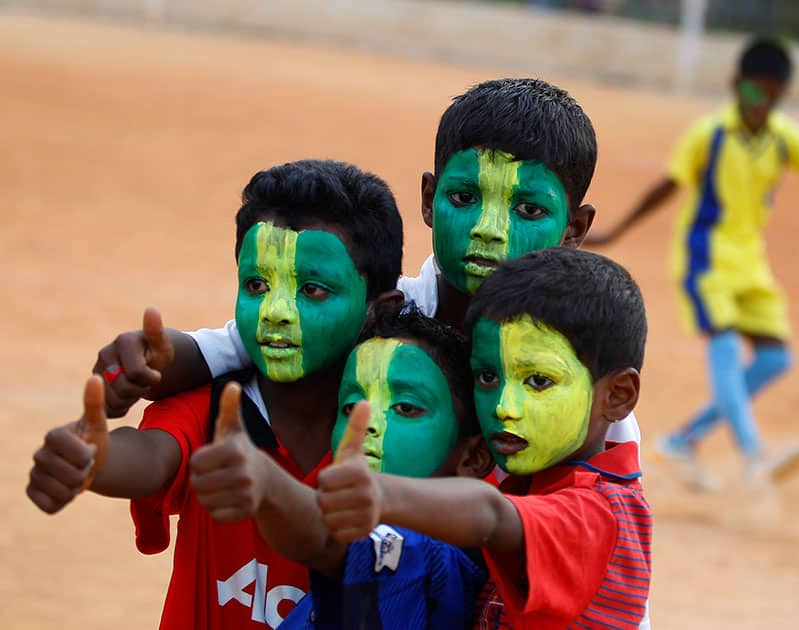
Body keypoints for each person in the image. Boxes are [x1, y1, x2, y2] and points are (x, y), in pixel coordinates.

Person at [90, 77, 642, 450]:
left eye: (527, 208)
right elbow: (231, 346)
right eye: (463, 198)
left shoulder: (588, 388)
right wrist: (148, 360)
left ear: (575, 230)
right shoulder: (380, 313)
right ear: (428, 199)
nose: (487, 229)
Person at [25, 159, 404, 629]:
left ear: (379, 311)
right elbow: (149, 456)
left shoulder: (402, 434)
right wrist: (91, 458)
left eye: (312, 289)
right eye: (257, 285)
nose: (276, 312)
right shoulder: (214, 410)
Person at [588, 36, 799, 490]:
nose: (762, 104)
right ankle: (755, 454)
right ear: (736, 86)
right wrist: (616, 232)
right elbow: (666, 187)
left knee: (775, 358)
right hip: (705, 260)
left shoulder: (784, 138)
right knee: (727, 350)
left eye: (773, 97)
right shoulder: (709, 135)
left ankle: (683, 440)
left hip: (750, 263)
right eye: (755, 92)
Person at [318, 247, 652, 629]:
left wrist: (380, 493)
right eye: (489, 377)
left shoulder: (599, 513)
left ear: (618, 395)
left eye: (538, 381)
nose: (503, 407)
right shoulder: (535, 485)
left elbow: (491, 516)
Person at [192, 304, 494, 629]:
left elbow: (324, 541)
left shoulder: (437, 558)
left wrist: (267, 481)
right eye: (351, 407)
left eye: (405, 407)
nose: (368, 424)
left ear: (473, 457)